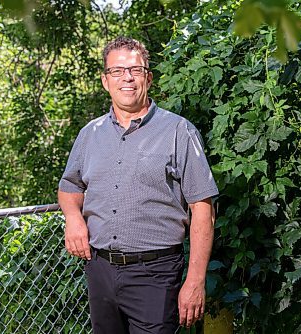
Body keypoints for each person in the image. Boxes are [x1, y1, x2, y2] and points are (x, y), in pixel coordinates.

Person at [58, 36, 219, 334]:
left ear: (149, 77)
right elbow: (69, 188)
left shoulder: (179, 131)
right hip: (100, 269)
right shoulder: (89, 134)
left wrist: (195, 281)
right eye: (117, 71)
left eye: (136, 70)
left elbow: (203, 209)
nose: (127, 78)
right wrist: (72, 219)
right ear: (106, 81)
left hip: (155, 275)